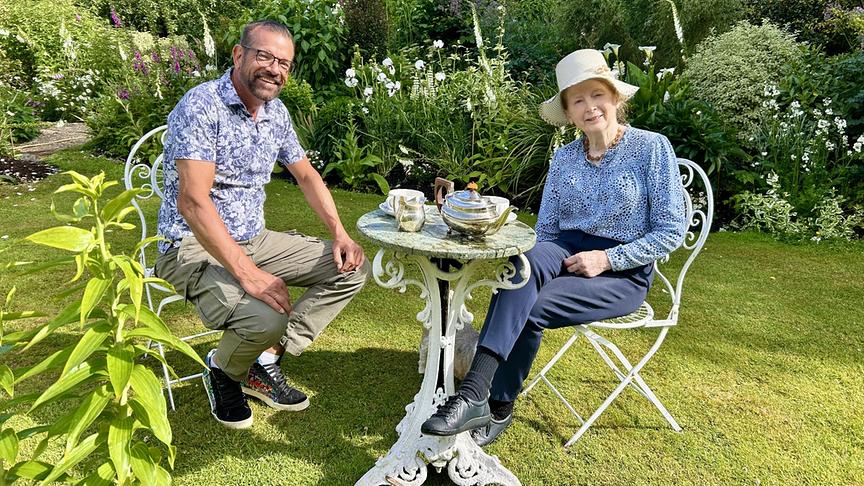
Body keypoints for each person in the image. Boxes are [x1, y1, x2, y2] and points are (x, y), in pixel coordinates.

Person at [420, 49, 688, 444]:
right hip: (561, 248)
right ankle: (477, 395)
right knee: (520, 271)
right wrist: (543, 264)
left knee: (530, 307)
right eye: (577, 100)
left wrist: (607, 258)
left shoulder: (651, 149)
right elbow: (546, 230)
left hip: (622, 271)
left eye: (596, 94)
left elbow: (670, 231)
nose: (589, 106)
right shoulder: (563, 158)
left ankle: (495, 404)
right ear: (568, 111)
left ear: (614, 97)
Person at [155, 20, 369, 429]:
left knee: (351, 267)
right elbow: (193, 201)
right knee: (265, 316)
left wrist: (340, 233)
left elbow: (306, 175)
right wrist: (249, 275)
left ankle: (265, 358)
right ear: (239, 55)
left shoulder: (275, 113)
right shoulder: (203, 106)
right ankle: (222, 368)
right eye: (265, 56)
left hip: (255, 237)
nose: (275, 69)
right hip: (190, 245)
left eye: (284, 63)